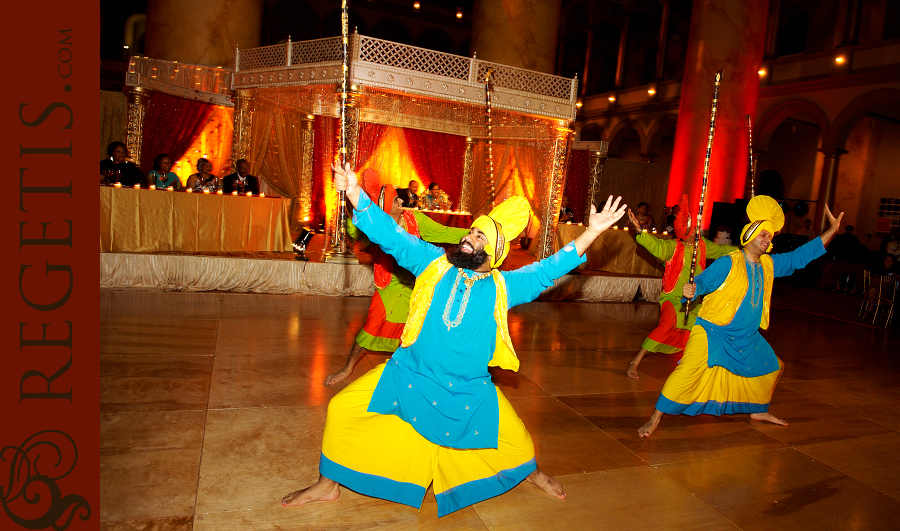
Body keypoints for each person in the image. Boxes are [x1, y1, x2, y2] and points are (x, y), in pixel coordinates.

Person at [283, 162, 627, 517]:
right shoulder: (433, 264)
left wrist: (592, 232)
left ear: (492, 255)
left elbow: (548, 269)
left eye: (478, 238)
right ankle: (328, 484)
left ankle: (532, 473)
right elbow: (391, 236)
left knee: (516, 439)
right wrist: (355, 192)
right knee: (342, 409)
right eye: (470, 233)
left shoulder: (503, 287)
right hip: (408, 375)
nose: (467, 238)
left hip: (468, 389)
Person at [637, 195, 843, 437]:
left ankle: (759, 410)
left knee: (773, 367)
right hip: (713, 331)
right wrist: (693, 289)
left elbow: (801, 257)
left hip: (746, 336)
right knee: (687, 370)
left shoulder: (769, 265)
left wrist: (832, 230)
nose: (768, 239)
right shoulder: (729, 262)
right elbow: (703, 282)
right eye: (763, 234)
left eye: (770, 235)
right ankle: (655, 417)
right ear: (748, 236)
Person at [325, 170, 470, 386]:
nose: (401, 200)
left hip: (414, 285)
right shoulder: (373, 227)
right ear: (385, 208)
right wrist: (346, 196)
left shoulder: (415, 219)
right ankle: (348, 368)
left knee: (416, 332)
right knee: (372, 327)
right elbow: (353, 222)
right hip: (388, 286)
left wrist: (475, 234)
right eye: (395, 199)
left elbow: (445, 232)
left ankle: (412, 373)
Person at [626, 194, 737, 379]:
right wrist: (639, 232)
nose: (698, 229)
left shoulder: (702, 246)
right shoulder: (672, 247)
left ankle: (698, 367)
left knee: (703, 331)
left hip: (693, 300)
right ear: (686, 231)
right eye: (694, 227)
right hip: (673, 299)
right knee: (666, 326)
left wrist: (746, 250)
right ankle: (635, 361)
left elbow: (723, 251)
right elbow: (654, 245)